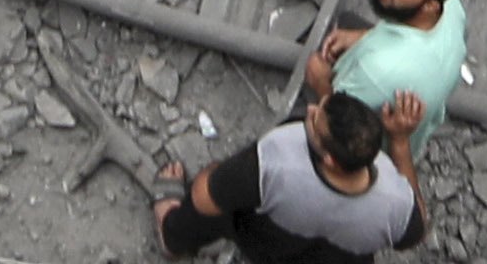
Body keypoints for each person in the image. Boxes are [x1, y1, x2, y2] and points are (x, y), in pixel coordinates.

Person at [160, 96, 420, 262]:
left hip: (267, 245)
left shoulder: (280, 161)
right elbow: (415, 231)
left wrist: (214, 173)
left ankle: (171, 239)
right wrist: (399, 141)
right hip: (334, 257)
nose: (310, 109)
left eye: (315, 118)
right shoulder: (396, 203)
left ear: (329, 159)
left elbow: (204, 199)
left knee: (215, 197)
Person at [306, 0, 468, 153]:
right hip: (415, 123)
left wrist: (320, 83)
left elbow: (340, 124)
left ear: (430, 5)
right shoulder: (451, 8)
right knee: (347, 21)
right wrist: (363, 37)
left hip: (364, 147)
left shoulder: (376, 70)